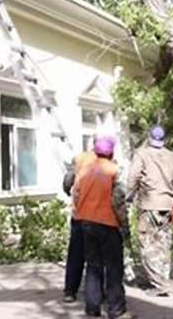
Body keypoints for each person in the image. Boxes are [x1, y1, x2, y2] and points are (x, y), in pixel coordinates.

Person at [73, 136, 133, 318]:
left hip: (86, 223)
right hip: (108, 224)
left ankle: (92, 308)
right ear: (112, 152)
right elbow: (117, 201)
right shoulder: (114, 170)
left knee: (92, 266)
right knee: (114, 268)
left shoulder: (84, 170)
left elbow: (75, 194)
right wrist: (125, 225)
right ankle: (116, 310)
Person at [126, 126, 173, 295]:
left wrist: (128, 196)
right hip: (167, 205)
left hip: (149, 205)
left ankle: (159, 283)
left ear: (149, 137)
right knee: (164, 243)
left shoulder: (142, 154)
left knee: (148, 243)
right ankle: (163, 278)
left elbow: (133, 177)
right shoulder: (172, 156)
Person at [62, 147, 97, 303]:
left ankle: (70, 291)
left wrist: (69, 192)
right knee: (96, 257)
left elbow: (67, 181)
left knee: (75, 254)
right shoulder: (106, 162)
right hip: (98, 217)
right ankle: (96, 294)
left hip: (79, 215)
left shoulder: (79, 159)